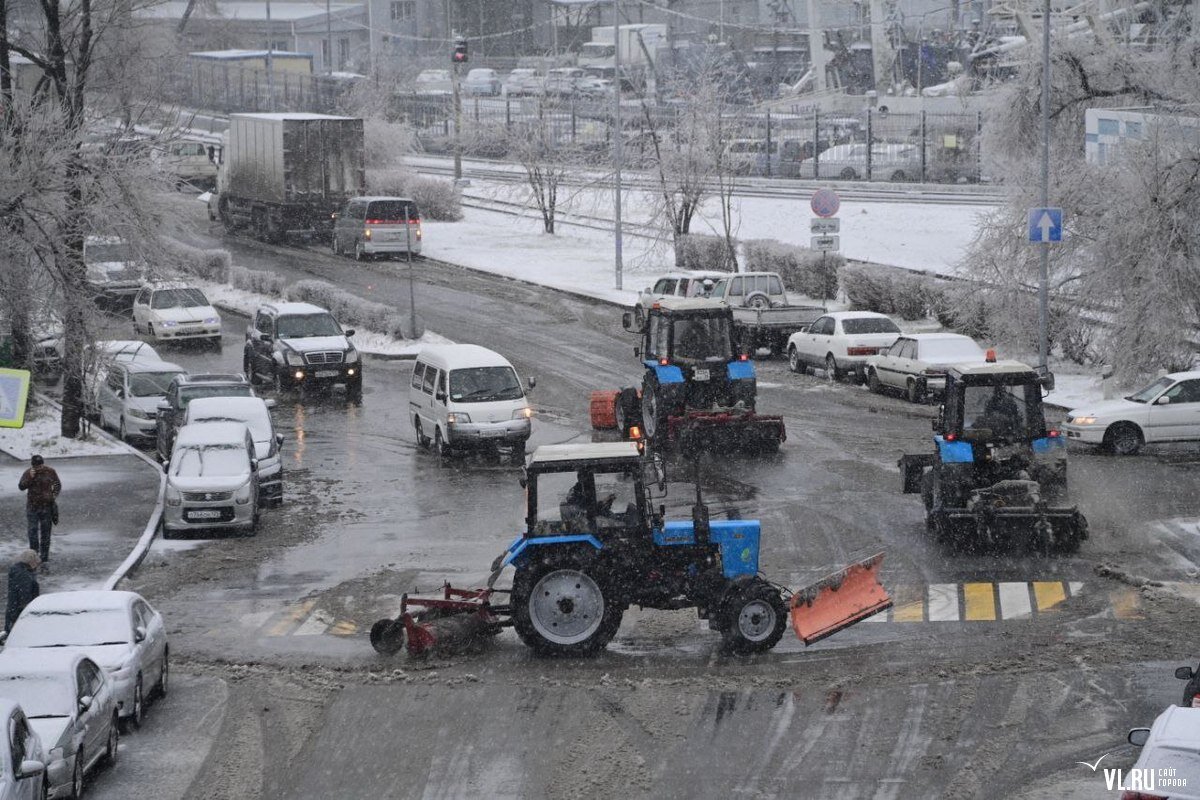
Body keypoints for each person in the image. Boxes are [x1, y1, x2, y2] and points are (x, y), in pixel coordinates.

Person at [18, 454, 61, 564]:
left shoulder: (50, 471)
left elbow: (57, 485)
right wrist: (30, 477)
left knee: (46, 533)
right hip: (32, 507)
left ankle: (45, 557)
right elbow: (21, 486)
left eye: (40, 465)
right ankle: (34, 556)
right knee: (32, 532)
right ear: (32, 466)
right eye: (37, 467)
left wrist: (53, 496)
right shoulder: (28, 473)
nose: (39, 468)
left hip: (46, 507)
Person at [5, 550, 40, 633]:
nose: (37, 563)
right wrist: (29, 609)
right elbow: (24, 595)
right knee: (18, 632)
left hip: (14, 608)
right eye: (36, 560)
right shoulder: (24, 574)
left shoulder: (19, 570)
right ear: (31, 561)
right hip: (20, 611)